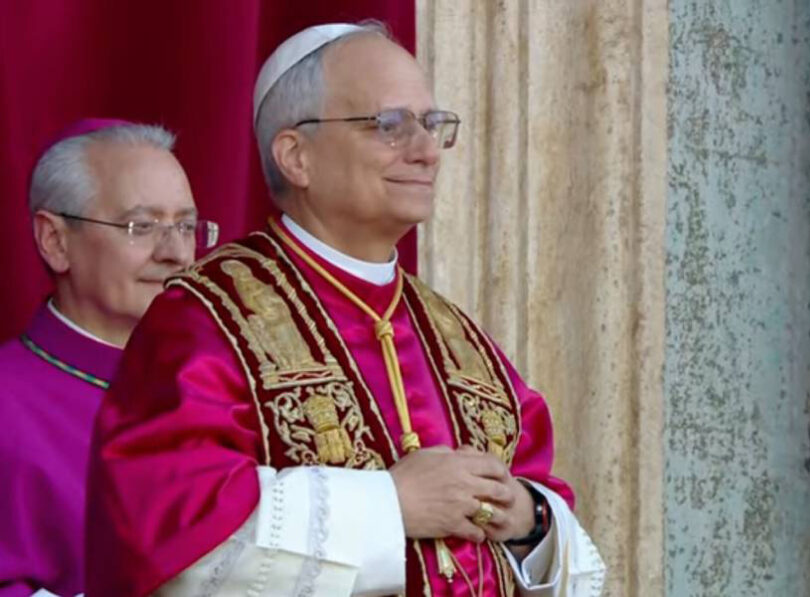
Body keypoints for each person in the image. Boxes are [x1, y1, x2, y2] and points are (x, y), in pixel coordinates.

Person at [86, 23, 605, 596]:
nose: (427, 150)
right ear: (296, 157)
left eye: (433, 124)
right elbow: (168, 539)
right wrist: (392, 506)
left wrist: (531, 520)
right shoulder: (204, 321)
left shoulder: (456, 335)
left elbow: (544, 503)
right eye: (390, 126)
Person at [0, 118, 217, 596]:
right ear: (55, 241)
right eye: (141, 226)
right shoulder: (6, 404)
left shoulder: (224, 385)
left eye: (186, 226)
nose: (177, 254)